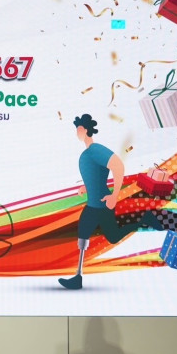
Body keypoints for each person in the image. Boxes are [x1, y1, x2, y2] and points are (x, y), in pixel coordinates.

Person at [58, 114, 163, 290]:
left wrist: (114, 195)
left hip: (102, 203)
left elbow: (118, 166)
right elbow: (96, 175)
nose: (76, 133)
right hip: (94, 202)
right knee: (95, 234)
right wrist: (86, 187)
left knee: (102, 234)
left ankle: (144, 219)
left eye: (78, 129)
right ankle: (78, 277)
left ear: (84, 130)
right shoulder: (89, 152)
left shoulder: (96, 150)